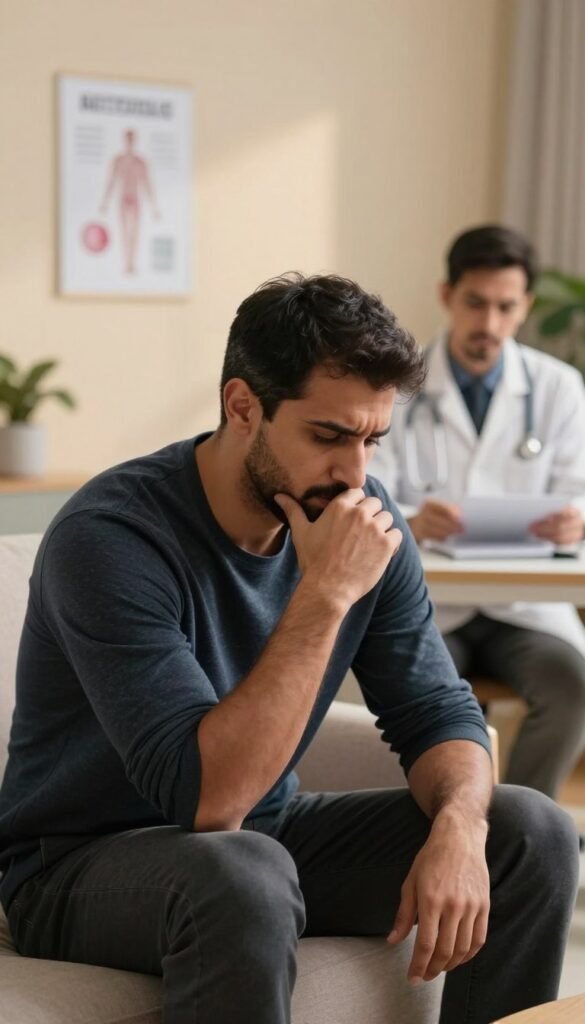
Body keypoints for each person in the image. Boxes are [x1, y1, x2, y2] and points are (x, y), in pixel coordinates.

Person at [0, 274, 579, 1024]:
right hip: (73, 865)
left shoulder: (366, 521)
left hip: (260, 839)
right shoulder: (110, 538)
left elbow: (436, 710)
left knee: (529, 832)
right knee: (243, 871)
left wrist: (460, 829)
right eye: (329, 437)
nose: (355, 474)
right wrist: (324, 596)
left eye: (371, 439)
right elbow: (211, 800)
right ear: (242, 406)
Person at [370, 225, 585, 801]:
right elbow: (367, 489)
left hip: (527, 610)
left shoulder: (560, 389)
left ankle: (521, 825)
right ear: (447, 296)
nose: (488, 324)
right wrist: (411, 519)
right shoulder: (396, 385)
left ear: (525, 308)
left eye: (505, 307)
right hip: (433, 606)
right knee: (408, 689)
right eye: (475, 302)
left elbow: (580, 490)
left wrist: (576, 519)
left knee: (574, 684)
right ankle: (429, 825)